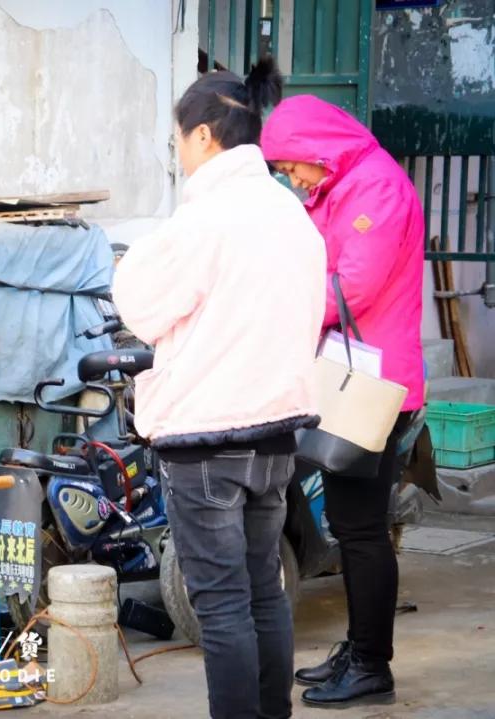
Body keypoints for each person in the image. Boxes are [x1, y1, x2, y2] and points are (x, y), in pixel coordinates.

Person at [112, 59, 326, 719]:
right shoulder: (291, 215)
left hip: (207, 440)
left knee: (225, 605)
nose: (178, 156)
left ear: (204, 135)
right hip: (276, 433)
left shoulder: (205, 219)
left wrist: (132, 264)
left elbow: (141, 308)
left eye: (178, 141)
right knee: (264, 589)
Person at [262, 95, 425, 710]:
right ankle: (359, 646)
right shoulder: (341, 187)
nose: (291, 177)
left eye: (292, 165)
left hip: (376, 388)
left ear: (317, 149)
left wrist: (278, 314)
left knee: (360, 529)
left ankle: (371, 665)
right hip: (348, 377)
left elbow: (349, 286)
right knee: (352, 524)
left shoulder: (376, 188)